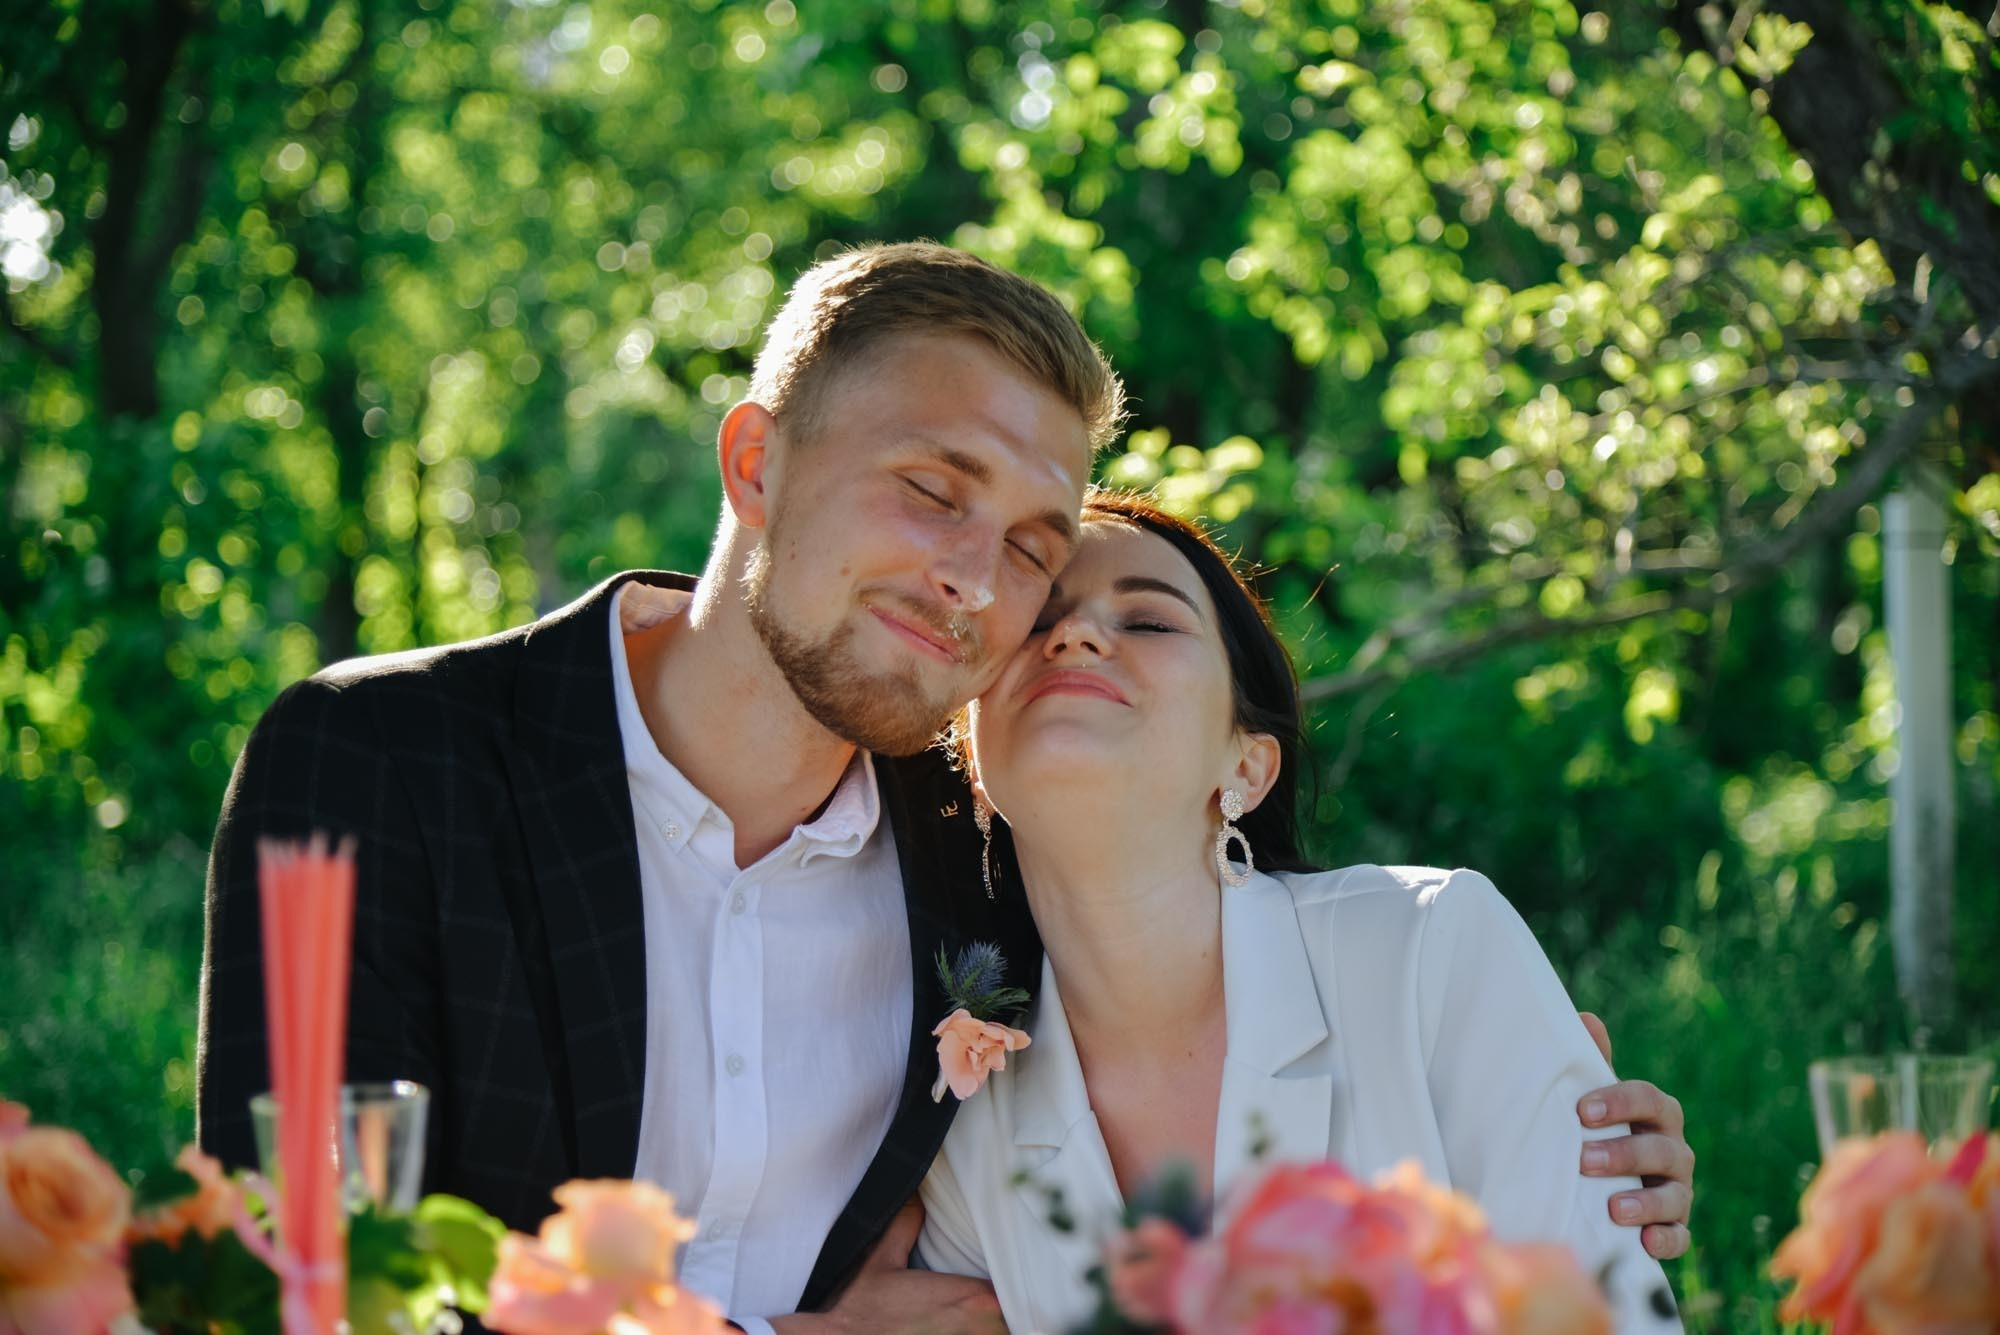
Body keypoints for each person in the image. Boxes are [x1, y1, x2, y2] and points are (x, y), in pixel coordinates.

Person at [198, 243, 1692, 1335]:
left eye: (1036, 540)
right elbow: (302, 1280)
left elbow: (1219, 936)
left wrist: (1565, 1118)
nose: (981, 580)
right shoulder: (383, 764)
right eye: (932, 485)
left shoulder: (983, 876)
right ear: (756, 463)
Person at [914, 490, 1684, 1332]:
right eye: (1037, 618)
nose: (1077, 634)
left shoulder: (1433, 952)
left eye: (1151, 620)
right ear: (973, 752)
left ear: (1247, 766)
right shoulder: (965, 1129)